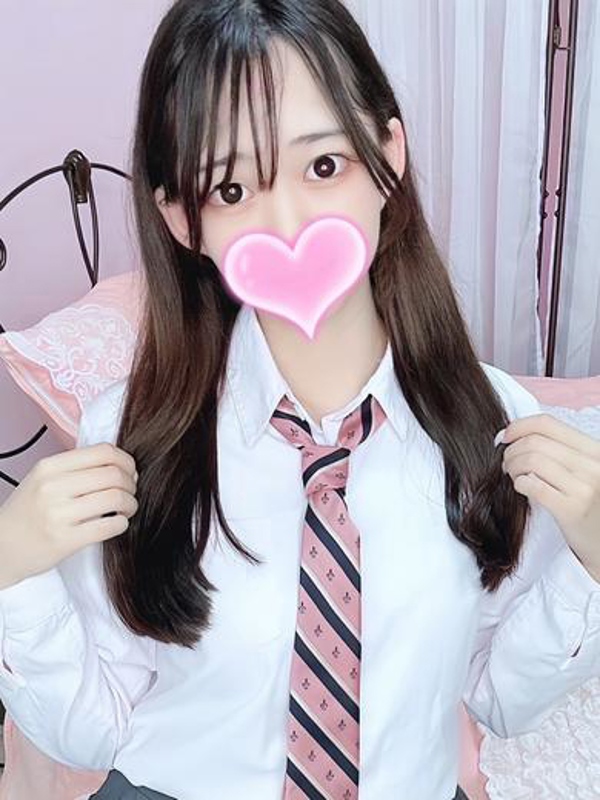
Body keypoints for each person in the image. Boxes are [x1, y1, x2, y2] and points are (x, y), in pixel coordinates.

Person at [1, 0, 600, 798]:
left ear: (388, 155)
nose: (287, 222)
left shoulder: (493, 424)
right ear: (181, 219)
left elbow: (504, 699)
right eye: (232, 188)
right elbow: (92, 727)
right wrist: (11, 569)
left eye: (323, 166)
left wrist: (593, 559)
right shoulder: (130, 437)